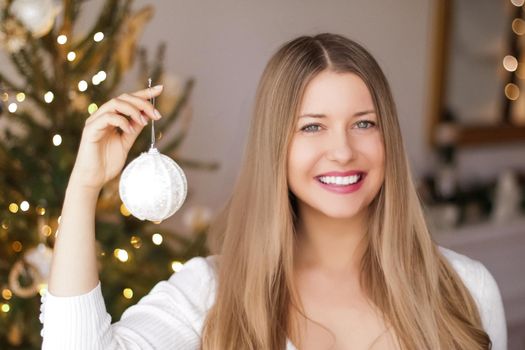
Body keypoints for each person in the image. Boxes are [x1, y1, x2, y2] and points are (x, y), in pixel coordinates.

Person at [40, 33, 507, 350]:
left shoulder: (464, 288)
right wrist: (83, 187)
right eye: (312, 127)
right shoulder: (211, 295)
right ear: (275, 146)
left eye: (364, 123)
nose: (342, 151)